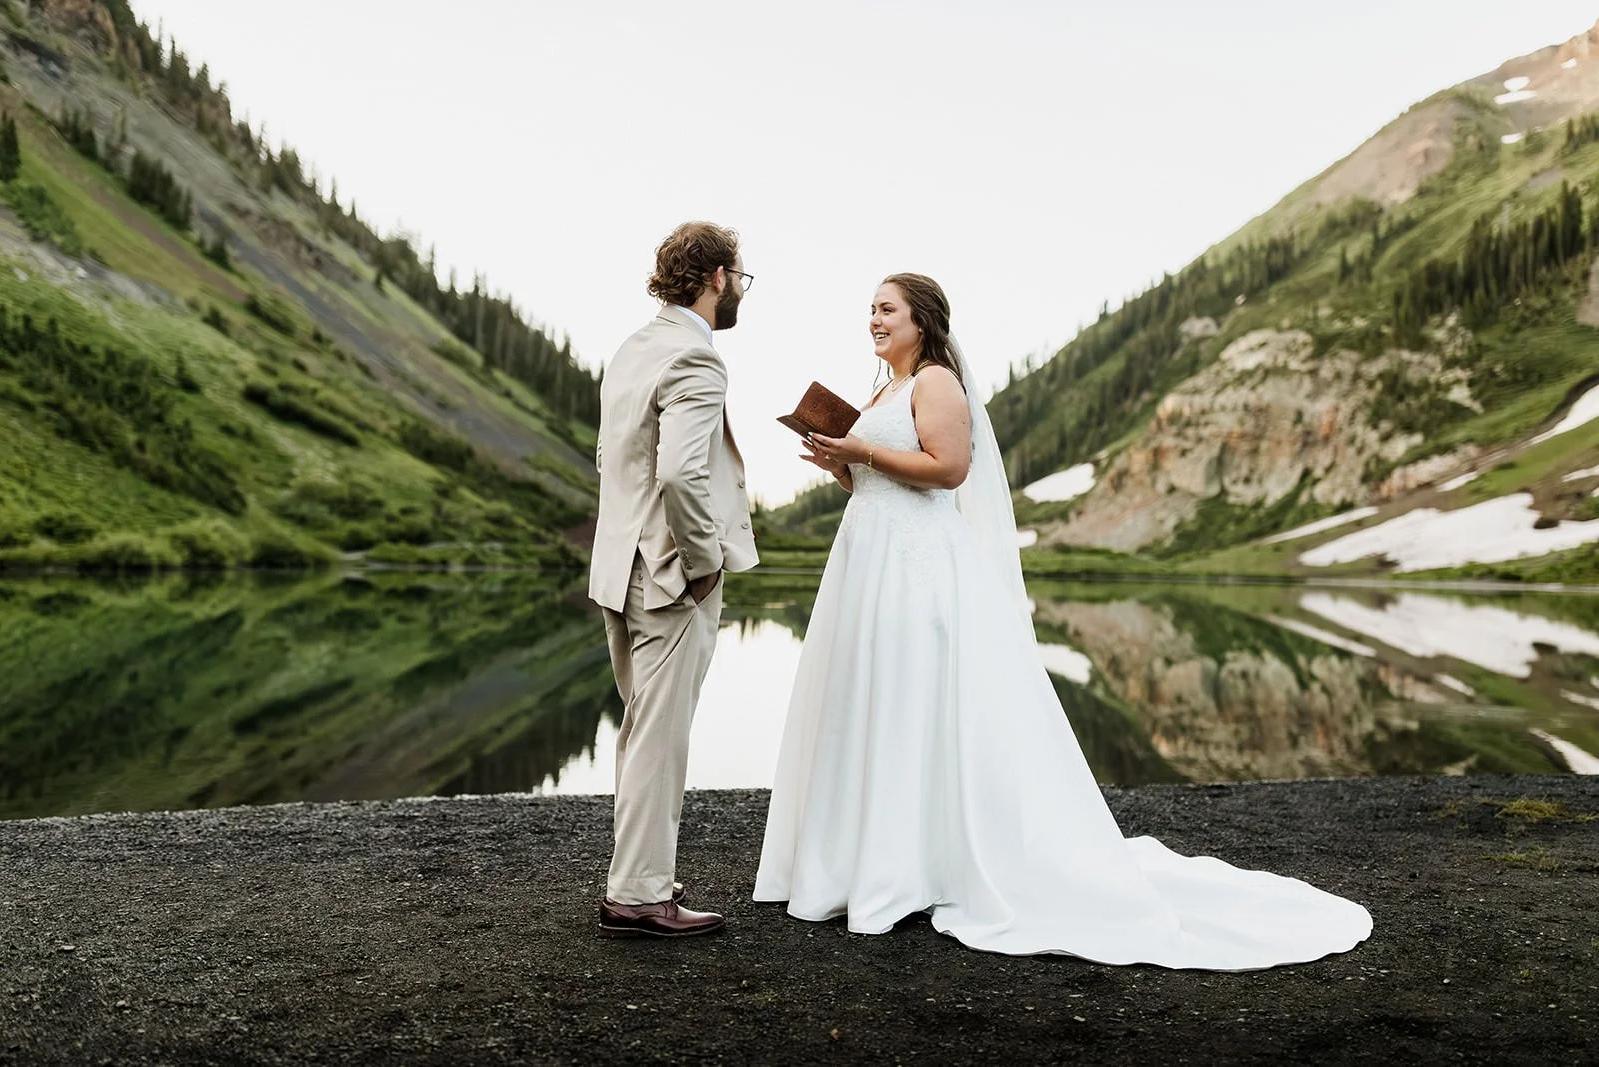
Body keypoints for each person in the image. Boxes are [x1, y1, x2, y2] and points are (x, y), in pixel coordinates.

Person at [753, 273, 1373, 967]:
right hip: (868, 558)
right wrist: (840, 461)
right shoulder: (882, 390)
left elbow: (949, 468)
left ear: (921, 321)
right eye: (870, 308)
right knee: (873, 699)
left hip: (917, 565)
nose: (873, 318)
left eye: (886, 309)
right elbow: (877, 478)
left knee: (913, 697)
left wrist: (863, 451)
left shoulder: (935, 383)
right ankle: (866, 859)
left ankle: (917, 868)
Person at [588, 221, 758, 938]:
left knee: (641, 729)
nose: (742, 288)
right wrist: (703, 562)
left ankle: (641, 873)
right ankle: (640, 895)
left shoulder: (635, 347)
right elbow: (682, 474)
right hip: (668, 574)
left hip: (620, 565)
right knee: (661, 735)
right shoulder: (697, 357)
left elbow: (611, 455)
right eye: (741, 276)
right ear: (717, 277)